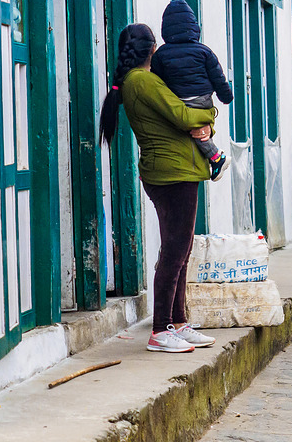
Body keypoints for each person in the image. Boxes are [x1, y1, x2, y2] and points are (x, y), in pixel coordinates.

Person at [100, 23, 218, 353]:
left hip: (176, 171)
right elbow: (183, 115)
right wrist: (209, 115)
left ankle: (177, 323)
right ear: (153, 50)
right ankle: (160, 329)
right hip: (171, 174)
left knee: (180, 250)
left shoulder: (138, 81)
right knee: (174, 253)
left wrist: (203, 124)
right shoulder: (142, 81)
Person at [151, 0, 234, 182]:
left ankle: (216, 158)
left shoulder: (160, 55)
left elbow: (157, 83)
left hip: (177, 101)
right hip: (202, 100)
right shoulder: (204, 52)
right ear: (194, 26)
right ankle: (215, 158)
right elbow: (218, 78)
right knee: (196, 130)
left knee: (186, 126)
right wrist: (226, 97)